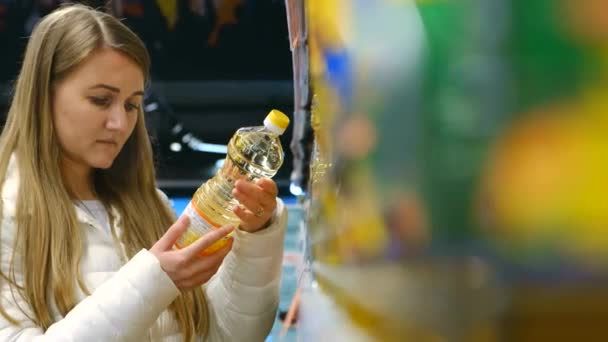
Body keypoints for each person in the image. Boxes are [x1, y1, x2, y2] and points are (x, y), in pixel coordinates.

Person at [0, 4, 287, 341]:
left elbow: (225, 334)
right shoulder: (9, 216)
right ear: (43, 96)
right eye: (100, 99)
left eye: (131, 105)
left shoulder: (151, 205)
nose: (120, 124)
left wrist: (255, 239)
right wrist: (154, 281)